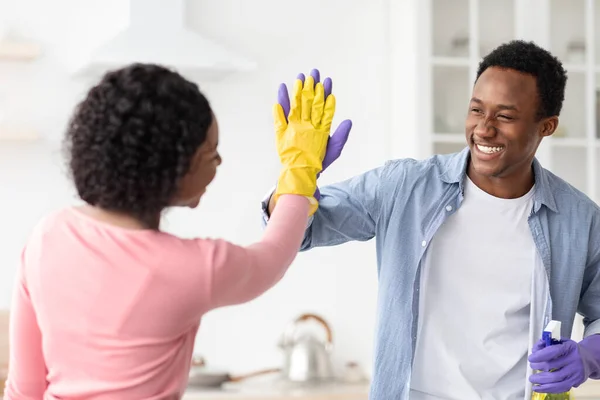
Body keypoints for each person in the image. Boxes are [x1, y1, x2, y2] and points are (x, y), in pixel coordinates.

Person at [262, 41, 600, 399]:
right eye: (476, 109)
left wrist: (588, 356)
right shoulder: (404, 187)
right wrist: (298, 175)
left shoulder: (578, 220)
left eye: (505, 116)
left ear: (546, 126)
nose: (484, 129)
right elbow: (302, 231)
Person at [5, 63, 343, 399]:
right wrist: (300, 173)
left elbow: (24, 389)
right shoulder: (194, 267)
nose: (219, 162)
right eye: (211, 152)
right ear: (174, 168)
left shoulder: (45, 236)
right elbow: (272, 257)